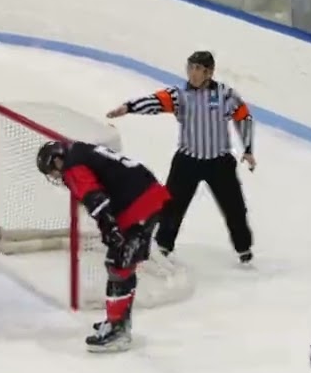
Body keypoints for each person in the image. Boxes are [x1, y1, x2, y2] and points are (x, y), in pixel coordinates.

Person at [107, 50, 256, 264]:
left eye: (198, 69)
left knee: (234, 206)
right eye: (190, 68)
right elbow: (156, 102)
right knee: (171, 207)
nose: (192, 74)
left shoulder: (225, 95)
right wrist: (129, 107)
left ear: (209, 72)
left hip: (220, 162)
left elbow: (243, 117)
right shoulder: (180, 95)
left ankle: (244, 248)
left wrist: (248, 148)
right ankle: (164, 246)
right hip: (187, 161)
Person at [36, 140, 170, 352]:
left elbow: (94, 198)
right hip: (143, 196)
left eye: (53, 171)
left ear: (58, 160)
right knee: (121, 263)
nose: (56, 177)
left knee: (119, 265)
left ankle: (118, 330)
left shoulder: (72, 166)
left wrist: (109, 227)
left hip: (140, 203)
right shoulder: (79, 150)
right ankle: (118, 320)